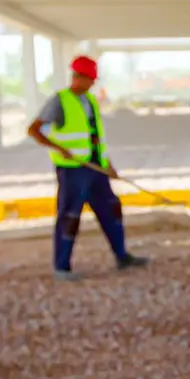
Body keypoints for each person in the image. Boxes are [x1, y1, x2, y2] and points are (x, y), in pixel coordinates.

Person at [28, 55, 149, 282]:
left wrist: (108, 164)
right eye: (90, 79)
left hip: (95, 168)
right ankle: (61, 267)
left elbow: (95, 138)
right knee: (70, 216)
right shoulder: (59, 101)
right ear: (78, 77)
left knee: (111, 209)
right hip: (73, 170)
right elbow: (33, 130)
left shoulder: (91, 101)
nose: (92, 83)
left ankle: (122, 257)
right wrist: (58, 148)